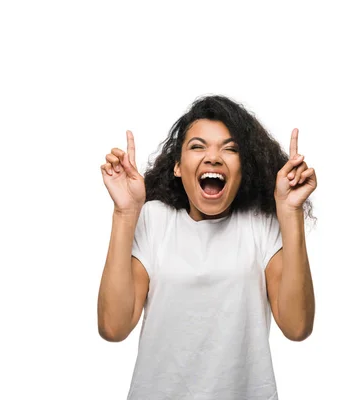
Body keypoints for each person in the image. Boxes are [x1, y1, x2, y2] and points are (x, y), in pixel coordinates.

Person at [97, 95, 317, 400]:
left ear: (244, 169)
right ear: (177, 167)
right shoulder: (154, 220)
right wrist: (125, 213)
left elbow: (297, 327)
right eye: (198, 146)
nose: (213, 157)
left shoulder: (260, 224)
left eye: (230, 149)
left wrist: (290, 212)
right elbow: (113, 327)